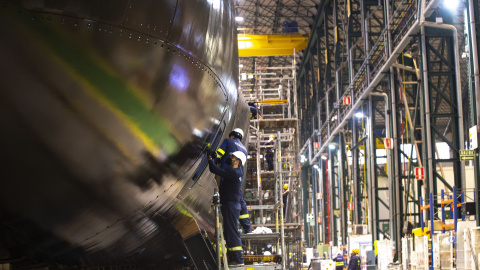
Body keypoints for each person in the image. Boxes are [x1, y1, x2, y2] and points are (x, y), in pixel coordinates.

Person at [208, 151, 247, 266]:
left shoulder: (234, 173)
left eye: (232, 156)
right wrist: (216, 160)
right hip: (230, 205)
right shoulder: (236, 171)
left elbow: (215, 170)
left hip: (231, 206)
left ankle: (238, 259)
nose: (230, 157)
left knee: (232, 233)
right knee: (229, 233)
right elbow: (221, 167)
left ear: (237, 161)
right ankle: (233, 258)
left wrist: (210, 158)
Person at [215, 128, 252, 233]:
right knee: (240, 201)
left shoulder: (228, 141)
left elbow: (219, 154)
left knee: (227, 201)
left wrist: (214, 161)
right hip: (237, 179)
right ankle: (247, 228)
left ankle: (230, 229)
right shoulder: (244, 149)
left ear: (232, 135)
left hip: (227, 175)